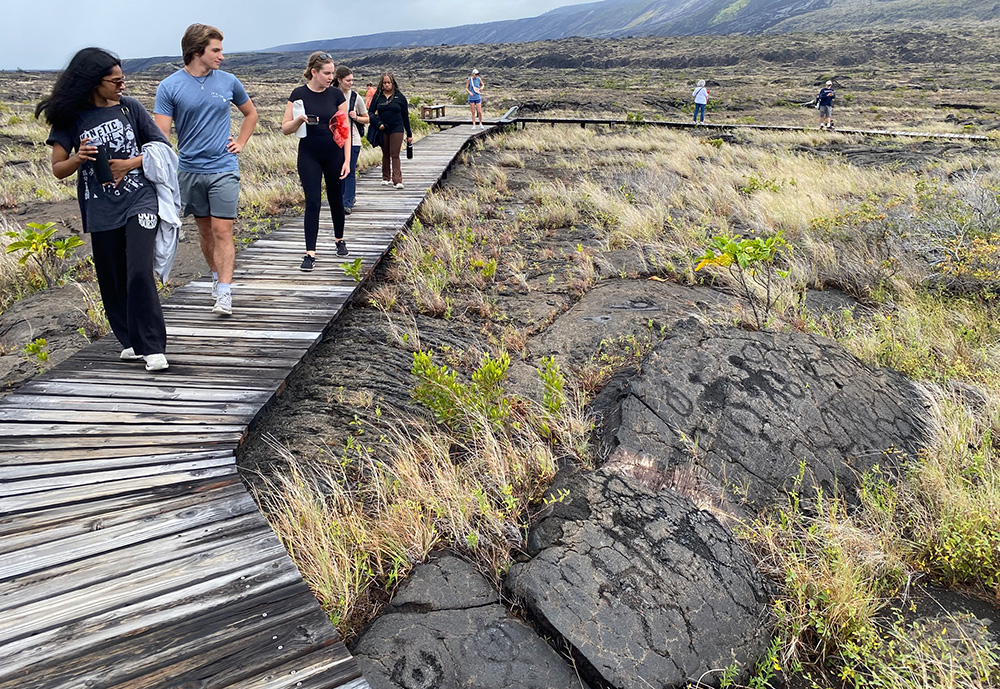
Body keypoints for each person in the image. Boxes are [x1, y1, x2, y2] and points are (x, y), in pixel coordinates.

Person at [36, 48, 170, 371]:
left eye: (123, 79)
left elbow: (161, 147)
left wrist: (129, 164)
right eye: (116, 80)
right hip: (101, 208)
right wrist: (78, 158)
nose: (122, 85)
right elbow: (57, 168)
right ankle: (131, 340)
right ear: (96, 83)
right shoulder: (72, 118)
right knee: (112, 277)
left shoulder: (130, 108)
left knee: (139, 269)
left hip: (141, 198)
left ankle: (153, 346)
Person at [154, 23, 258, 316]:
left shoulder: (228, 81)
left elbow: (250, 113)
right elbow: (161, 135)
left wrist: (240, 142)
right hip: (189, 169)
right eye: (216, 50)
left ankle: (225, 292)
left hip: (224, 167)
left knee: (222, 229)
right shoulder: (169, 86)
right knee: (205, 231)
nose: (221, 56)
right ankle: (215, 278)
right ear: (197, 51)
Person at [281, 52, 351, 270]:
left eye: (332, 73)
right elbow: (285, 128)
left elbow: (344, 129)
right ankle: (310, 252)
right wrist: (298, 120)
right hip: (309, 154)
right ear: (314, 72)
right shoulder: (298, 94)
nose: (331, 77)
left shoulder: (336, 96)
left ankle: (339, 239)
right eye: (327, 73)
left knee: (336, 199)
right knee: (312, 201)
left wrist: (348, 160)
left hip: (334, 154)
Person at [336, 65, 369, 216]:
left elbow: (367, 118)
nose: (351, 83)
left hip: (353, 140)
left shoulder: (356, 97)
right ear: (339, 80)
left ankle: (347, 202)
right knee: (338, 171)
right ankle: (344, 197)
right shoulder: (332, 94)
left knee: (349, 171)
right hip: (336, 141)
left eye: (352, 80)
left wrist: (356, 117)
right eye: (348, 80)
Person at [370, 72, 412, 190]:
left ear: (393, 83)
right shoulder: (378, 96)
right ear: (381, 84)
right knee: (386, 153)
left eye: (389, 82)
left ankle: (397, 180)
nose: (387, 85)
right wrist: (379, 124)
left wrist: (409, 133)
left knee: (395, 153)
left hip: (397, 128)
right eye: (385, 83)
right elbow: (371, 112)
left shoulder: (400, 97)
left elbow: (405, 116)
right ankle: (385, 177)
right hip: (383, 128)